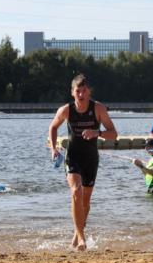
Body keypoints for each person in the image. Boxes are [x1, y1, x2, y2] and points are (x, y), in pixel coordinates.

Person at [48, 74, 118, 250]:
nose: (81, 94)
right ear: (72, 93)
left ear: (89, 92)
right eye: (77, 91)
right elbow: (53, 127)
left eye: (84, 91)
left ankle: (76, 234)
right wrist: (54, 148)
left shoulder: (98, 109)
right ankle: (81, 238)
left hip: (91, 159)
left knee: (85, 202)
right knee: (76, 192)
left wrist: (97, 133)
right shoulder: (66, 110)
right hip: (73, 158)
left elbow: (114, 134)